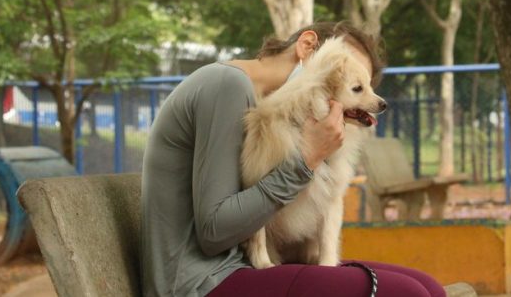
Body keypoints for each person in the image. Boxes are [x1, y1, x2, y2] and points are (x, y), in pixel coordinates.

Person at [140, 21, 446, 297]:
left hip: (239, 267)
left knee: (428, 287)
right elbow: (214, 232)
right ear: (307, 46)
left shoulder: (261, 106)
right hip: (201, 282)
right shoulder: (226, 85)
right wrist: (307, 159)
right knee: (409, 294)